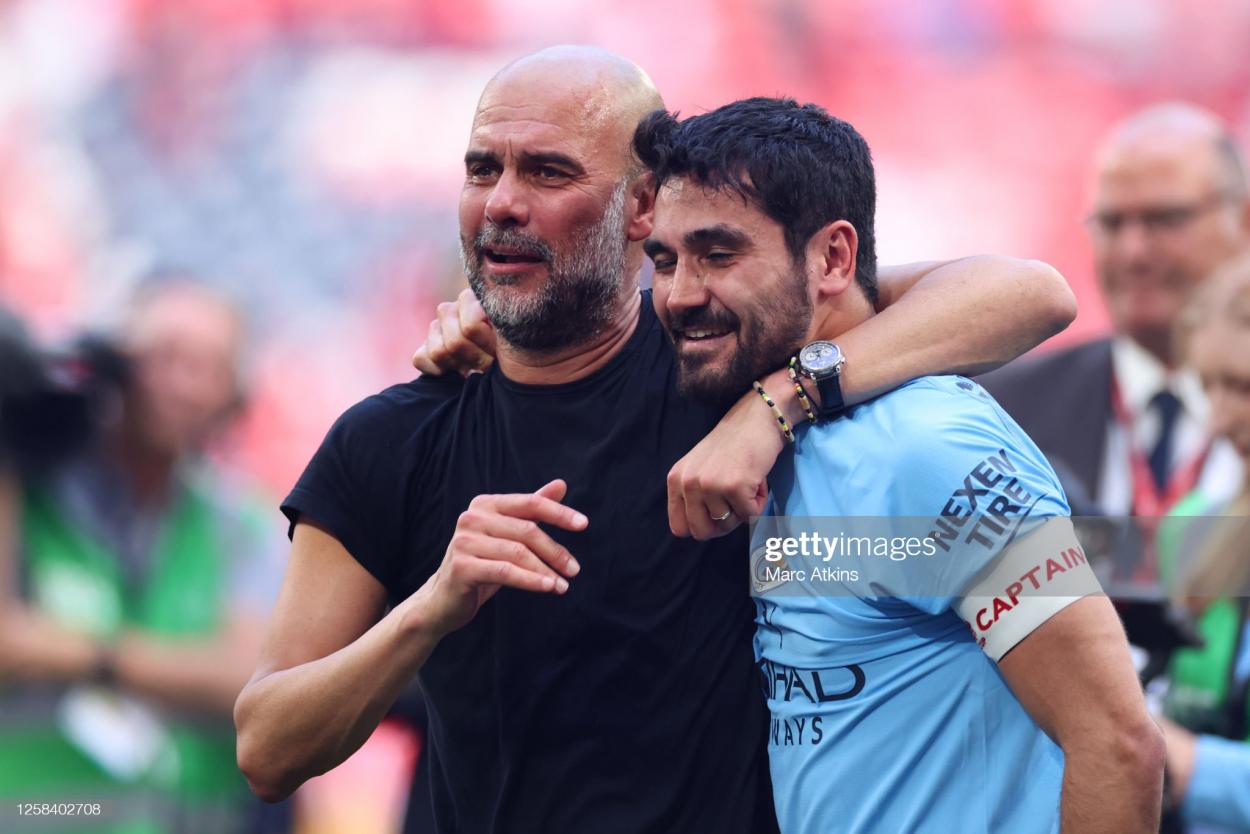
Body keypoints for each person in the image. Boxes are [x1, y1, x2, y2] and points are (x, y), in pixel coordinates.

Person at [234, 46, 1077, 833]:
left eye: (548, 171)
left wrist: (776, 400)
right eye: (482, 168)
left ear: (642, 205)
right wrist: (430, 609)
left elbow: (1028, 294)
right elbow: (267, 749)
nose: (502, 202)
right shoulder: (390, 440)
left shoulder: (722, 364)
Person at [631, 95, 1164, 834]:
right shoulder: (773, 411)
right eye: (664, 260)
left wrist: (785, 396)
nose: (681, 293)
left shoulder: (931, 447)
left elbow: (1117, 742)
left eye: (719, 255)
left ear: (833, 257)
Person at [0, 281, 286, 834]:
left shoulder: (242, 524)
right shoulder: (29, 494)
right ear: (115, 365)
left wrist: (85, 653)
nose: (181, 385)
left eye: (208, 367)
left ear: (236, 397)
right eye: (163, 356)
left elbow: (252, 683)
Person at [980, 104, 1249, 521]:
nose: (1133, 251)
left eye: (1166, 219)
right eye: (1111, 223)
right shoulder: (1004, 412)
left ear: (1244, 222)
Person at [1154, 254, 1250, 833]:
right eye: (1207, 387)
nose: (1217, 421)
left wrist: (1185, 766)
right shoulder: (1189, 526)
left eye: (1241, 387)